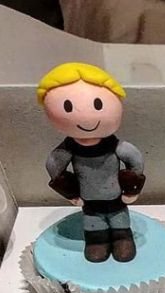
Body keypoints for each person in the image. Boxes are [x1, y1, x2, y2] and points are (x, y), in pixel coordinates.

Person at [38, 62, 146, 262]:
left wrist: (132, 190)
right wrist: (70, 192)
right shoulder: (68, 149)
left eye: (98, 105)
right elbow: (54, 166)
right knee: (93, 222)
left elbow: (135, 161)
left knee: (120, 220)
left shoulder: (116, 147)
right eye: (68, 107)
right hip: (89, 201)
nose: (85, 119)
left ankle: (122, 236)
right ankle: (97, 240)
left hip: (117, 199)